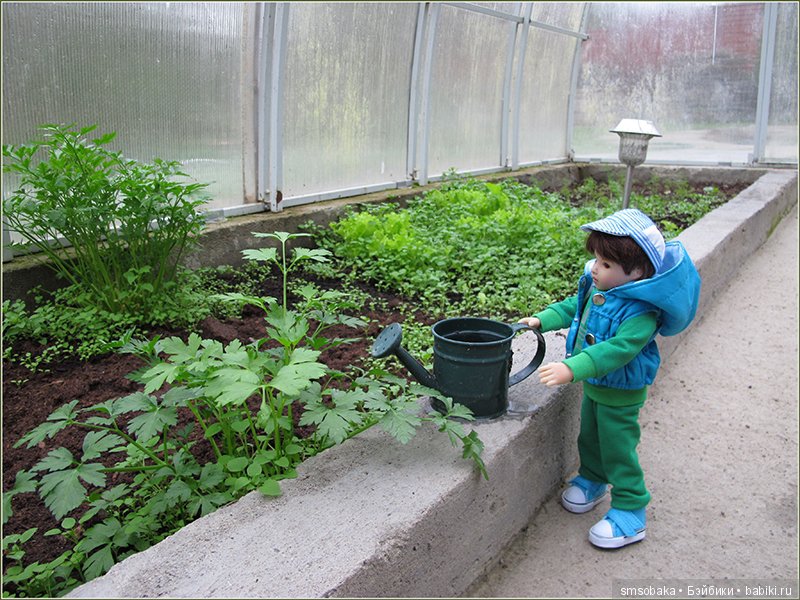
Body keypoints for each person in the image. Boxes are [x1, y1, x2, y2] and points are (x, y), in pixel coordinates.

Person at [519, 208, 700, 548]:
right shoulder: (602, 289)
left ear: (637, 272)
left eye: (605, 264)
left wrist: (573, 367)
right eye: (597, 260)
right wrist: (542, 319)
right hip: (597, 388)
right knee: (590, 436)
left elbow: (618, 350)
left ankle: (632, 509)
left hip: (623, 393)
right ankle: (592, 479)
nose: (594, 268)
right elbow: (574, 306)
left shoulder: (642, 313)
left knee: (618, 448)